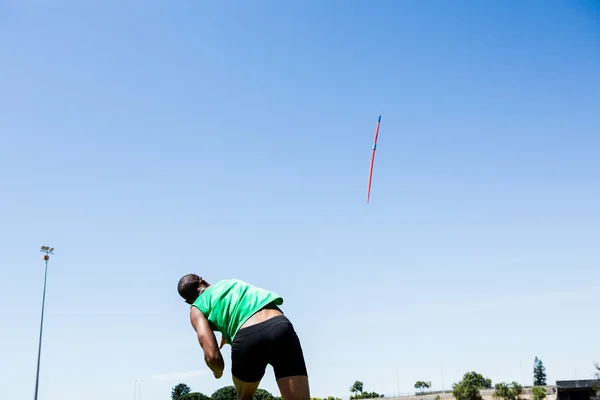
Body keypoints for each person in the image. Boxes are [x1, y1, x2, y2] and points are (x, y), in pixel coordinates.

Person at [177, 274, 310, 400]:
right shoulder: (230, 283)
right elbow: (241, 309)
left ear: (188, 301)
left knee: (245, 397)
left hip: (248, 337)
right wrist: (226, 334)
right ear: (202, 280)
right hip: (280, 327)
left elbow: (212, 357)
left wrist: (217, 371)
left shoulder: (196, 309)